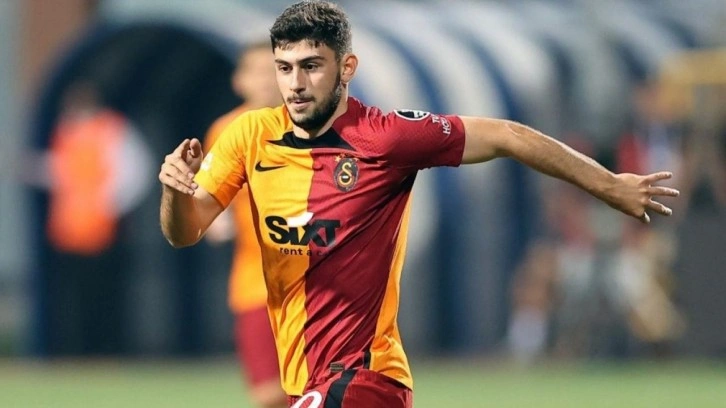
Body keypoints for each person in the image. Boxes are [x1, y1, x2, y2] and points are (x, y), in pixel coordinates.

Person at [158, 1, 679, 406]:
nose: (295, 84)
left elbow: (508, 135)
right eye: (284, 68)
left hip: (365, 377)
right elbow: (186, 230)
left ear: (347, 67)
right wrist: (175, 192)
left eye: (311, 66)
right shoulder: (248, 134)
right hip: (308, 378)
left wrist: (609, 185)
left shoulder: (385, 137)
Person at [201, 40, 286, 408]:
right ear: (239, 80)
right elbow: (210, 194)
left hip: (315, 283)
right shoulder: (227, 130)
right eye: (258, 71)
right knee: (268, 394)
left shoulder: (314, 126)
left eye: (277, 71)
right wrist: (215, 219)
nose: (267, 80)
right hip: (255, 281)